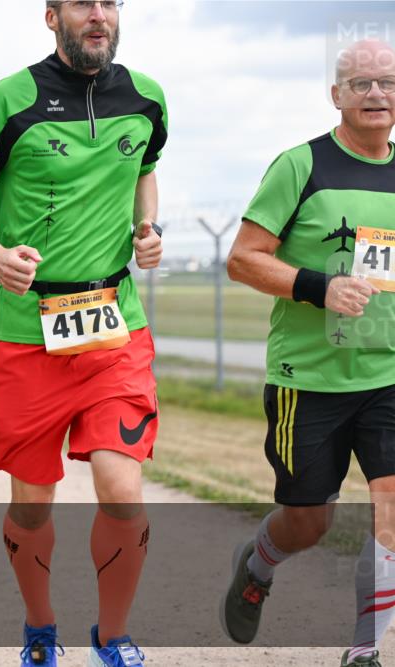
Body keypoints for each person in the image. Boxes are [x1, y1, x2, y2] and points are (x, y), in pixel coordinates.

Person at [0, 1, 167, 664]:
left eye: (109, 2)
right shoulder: (10, 98)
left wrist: (147, 230)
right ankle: (41, 625)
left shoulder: (147, 97)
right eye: (82, 2)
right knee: (33, 506)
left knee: (122, 489)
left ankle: (113, 632)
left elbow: (146, 168)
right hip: (26, 334)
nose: (98, 14)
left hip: (113, 325)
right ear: (52, 16)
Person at [221, 39, 395, 667]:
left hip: (388, 375)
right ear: (337, 96)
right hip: (308, 380)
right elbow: (242, 259)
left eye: (388, 82)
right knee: (307, 522)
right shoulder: (301, 165)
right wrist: (320, 287)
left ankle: (363, 653)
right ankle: (258, 563)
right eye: (361, 84)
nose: (376, 94)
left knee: (391, 509)